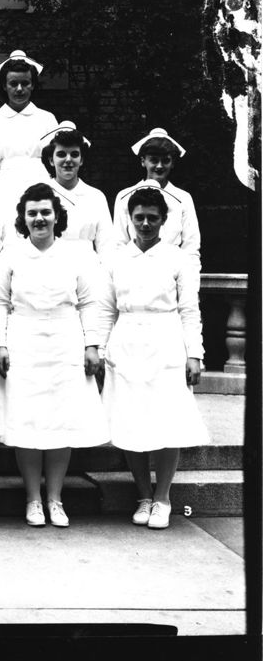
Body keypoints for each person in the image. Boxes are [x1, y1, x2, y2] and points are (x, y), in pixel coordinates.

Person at [0, 183, 109, 527]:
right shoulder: (10, 256)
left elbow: (89, 302)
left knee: (59, 421)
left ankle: (55, 499)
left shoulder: (76, 255)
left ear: (57, 216)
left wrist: (92, 345)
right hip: (23, 340)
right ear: (23, 219)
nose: (39, 218)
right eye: (32, 213)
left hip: (65, 340)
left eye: (45, 212)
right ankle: (32, 499)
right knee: (28, 421)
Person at [101, 186, 208, 529]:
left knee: (166, 422)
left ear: (164, 221)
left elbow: (190, 311)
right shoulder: (116, 259)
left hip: (166, 341)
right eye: (139, 218)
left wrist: (195, 354)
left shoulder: (176, 259)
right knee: (131, 421)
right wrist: (101, 349)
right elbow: (105, 309)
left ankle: (163, 497)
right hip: (127, 342)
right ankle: (143, 494)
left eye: (152, 218)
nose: (145, 223)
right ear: (129, 220)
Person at [112, 127, 200, 266]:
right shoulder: (124, 197)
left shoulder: (183, 198)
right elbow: (119, 243)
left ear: (173, 163)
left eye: (165, 160)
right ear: (143, 161)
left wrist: (187, 281)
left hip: (171, 270)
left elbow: (191, 246)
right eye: (153, 160)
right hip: (134, 270)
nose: (159, 166)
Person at [0, 50, 58, 205]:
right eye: (13, 84)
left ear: (32, 85)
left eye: (25, 83)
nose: (19, 89)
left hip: (40, 192)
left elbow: (55, 161)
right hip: (2, 193)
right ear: (4, 86)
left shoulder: (47, 119)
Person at [40, 124, 116, 255]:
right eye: (61, 154)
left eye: (74, 154)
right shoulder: (39, 195)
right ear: (51, 160)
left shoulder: (95, 197)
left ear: (81, 160)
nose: (68, 160)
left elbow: (107, 245)